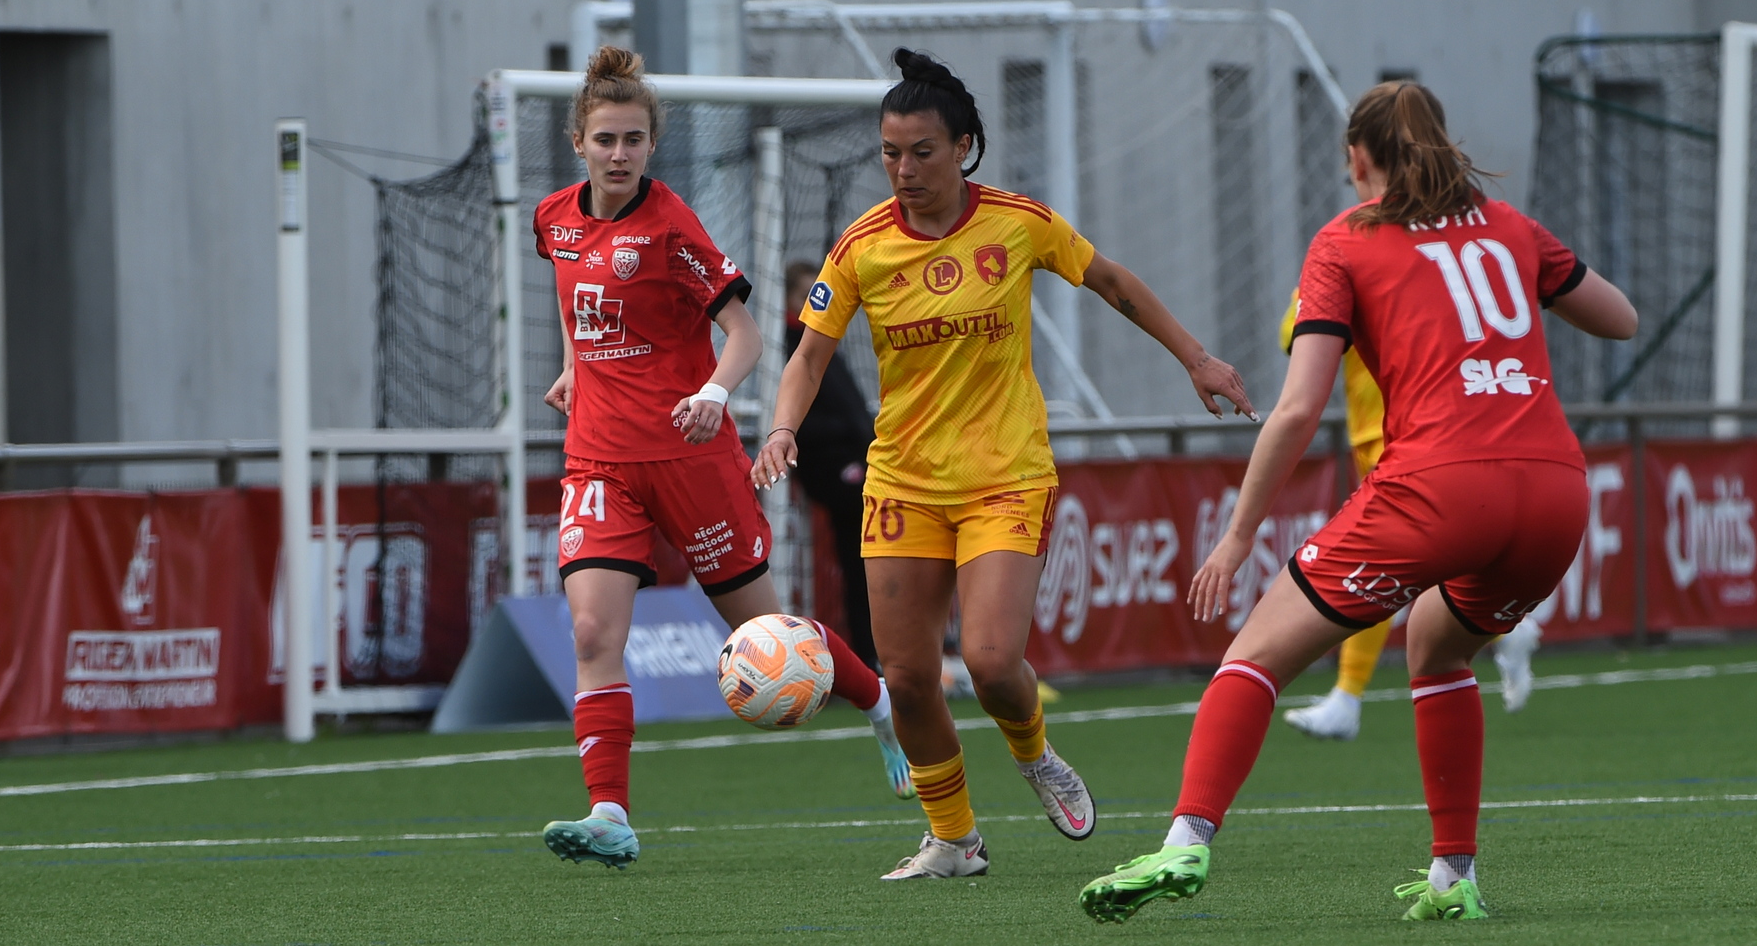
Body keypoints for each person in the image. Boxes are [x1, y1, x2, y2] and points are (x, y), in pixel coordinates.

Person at [1078, 80, 1637, 923]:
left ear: (1358, 157)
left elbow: (1299, 407)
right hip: (1555, 493)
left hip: (1440, 486)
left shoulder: (1346, 240)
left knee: (1255, 653)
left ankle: (1184, 840)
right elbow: (1621, 319)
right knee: (1437, 646)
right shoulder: (1511, 226)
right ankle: (1454, 879)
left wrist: (1237, 535)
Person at [755, 49, 1255, 882]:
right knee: (908, 677)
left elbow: (1111, 280)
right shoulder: (861, 247)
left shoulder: (1018, 222)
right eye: (890, 153)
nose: (903, 170)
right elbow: (808, 356)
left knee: (990, 661)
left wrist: (1196, 358)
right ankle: (954, 840)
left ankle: (1034, 753)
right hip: (903, 480)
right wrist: (781, 428)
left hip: (1005, 474)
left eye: (922, 151)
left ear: (963, 147)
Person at [535, 47, 913, 873]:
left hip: (689, 458)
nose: (620, 153)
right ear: (578, 141)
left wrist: (713, 390)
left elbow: (745, 334)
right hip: (599, 461)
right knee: (592, 629)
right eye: (605, 139)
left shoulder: (671, 225)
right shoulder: (553, 219)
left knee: (765, 632)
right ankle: (610, 813)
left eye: (634, 139)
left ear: (651, 143)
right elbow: (573, 298)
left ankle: (879, 700)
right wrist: (573, 364)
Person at [1278, 291, 1543, 741]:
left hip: (1411, 436)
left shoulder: (1400, 271)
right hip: (1378, 435)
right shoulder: (1341, 272)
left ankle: (1347, 698)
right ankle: (1505, 630)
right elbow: (1295, 337)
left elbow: (1297, 336)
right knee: (1418, 561)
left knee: (1377, 562)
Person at [784, 259, 879, 669]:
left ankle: (876, 652)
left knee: (868, 561)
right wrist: (852, 444)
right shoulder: (792, 347)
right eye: (806, 294)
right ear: (789, 299)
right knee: (861, 563)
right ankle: (867, 655)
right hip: (835, 468)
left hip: (857, 461)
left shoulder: (825, 343)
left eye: (819, 293)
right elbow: (805, 419)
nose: (815, 302)